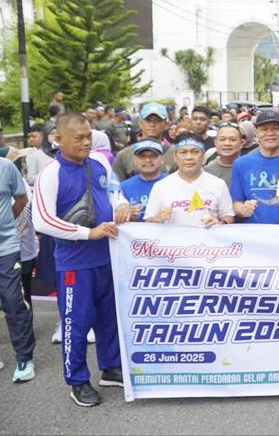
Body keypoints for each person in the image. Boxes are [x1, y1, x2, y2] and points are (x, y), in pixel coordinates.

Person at [33, 113, 131, 406]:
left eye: (89, 136)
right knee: (76, 324)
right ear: (58, 139)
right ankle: (77, 380)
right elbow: (42, 220)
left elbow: (116, 192)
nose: (86, 142)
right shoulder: (50, 173)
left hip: (107, 256)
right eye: (79, 138)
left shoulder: (100, 163)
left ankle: (111, 367)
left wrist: (123, 206)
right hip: (75, 263)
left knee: (109, 319)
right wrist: (88, 233)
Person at [230, 111, 279, 224]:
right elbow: (236, 203)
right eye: (264, 129)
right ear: (256, 133)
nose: (270, 133)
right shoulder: (241, 164)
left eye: (275, 128)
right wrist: (242, 210)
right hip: (252, 232)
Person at [144, 133, 235, 227]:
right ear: (175, 156)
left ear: (203, 155)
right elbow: (148, 221)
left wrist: (220, 223)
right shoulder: (160, 186)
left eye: (195, 152)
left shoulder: (218, 184)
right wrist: (156, 218)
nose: (189, 157)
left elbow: (228, 216)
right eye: (183, 152)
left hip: (207, 241)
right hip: (172, 241)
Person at [0, 155, 36, 383]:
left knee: (12, 300)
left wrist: (6, 223)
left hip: (6, 245)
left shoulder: (5, 166)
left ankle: (24, 357)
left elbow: (21, 198)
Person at [113, 103, 175, 181]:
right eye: (148, 120)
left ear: (166, 125)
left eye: (158, 120)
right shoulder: (124, 155)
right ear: (140, 123)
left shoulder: (175, 154)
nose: (152, 124)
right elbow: (117, 188)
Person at [120, 140, 167, 222]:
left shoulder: (172, 183)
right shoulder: (124, 187)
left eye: (153, 156)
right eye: (142, 156)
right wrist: (127, 215)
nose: (148, 160)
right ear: (134, 160)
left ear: (162, 159)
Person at [204, 123, 243, 188]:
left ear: (241, 143)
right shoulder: (207, 171)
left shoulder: (249, 167)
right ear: (215, 142)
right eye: (222, 139)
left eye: (233, 139)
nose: (227, 143)